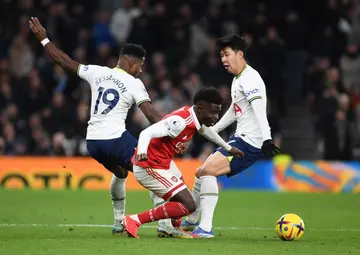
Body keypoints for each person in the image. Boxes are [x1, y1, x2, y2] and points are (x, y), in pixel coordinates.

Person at [28, 17, 186, 237]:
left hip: (93, 142)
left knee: (121, 172)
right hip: (115, 139)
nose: (141, 70)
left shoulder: (97, 72)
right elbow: (150, 114)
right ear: (131, 64)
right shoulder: (134, 83)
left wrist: (43, 39)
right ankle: (165, 227)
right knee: (156, 169)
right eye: (140, 65)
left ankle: (118, 221)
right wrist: (175, 133)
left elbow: (64, 61)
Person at [180, 34, 280, 238]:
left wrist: (268, 138)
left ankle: (205, 228)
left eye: (226, 54)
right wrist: (213, 131)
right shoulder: (238, 79)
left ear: (240, 54)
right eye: (221, 55)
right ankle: (192, 219)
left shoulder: (250, 78)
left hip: (249, 142)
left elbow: (259, 109)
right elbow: (235, 111)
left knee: (207, 171)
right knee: (200, 172)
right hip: (240, 138)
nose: (223, 59)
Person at [121, 88, 244, 238]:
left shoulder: (194, 117)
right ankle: (134, 220)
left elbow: (206, 131)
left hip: (163, 165)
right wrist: (142, 150)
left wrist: (229, 148)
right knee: (189, 204)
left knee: (181, 193)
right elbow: (146, 132)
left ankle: (174, 228)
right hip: (149, 167)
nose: (216, 117)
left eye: (218, 113)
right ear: (200, 109)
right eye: (213, 113)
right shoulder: (179, 122)